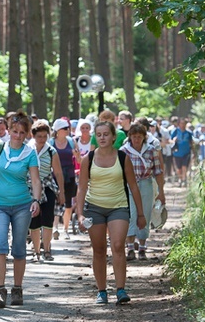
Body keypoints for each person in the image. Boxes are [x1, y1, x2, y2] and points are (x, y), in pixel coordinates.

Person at [76, 121, 146, 305]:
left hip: (118, 207)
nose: (102, 137)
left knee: (117, 245)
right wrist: (80, 214)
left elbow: (133, 187)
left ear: (114, 136)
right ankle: (101, 291)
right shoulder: (88, 159)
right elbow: (82, 188)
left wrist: (140, 214)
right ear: (95, 137)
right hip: (94, 208)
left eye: (106, 134)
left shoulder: (123, 158)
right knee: (98, 250)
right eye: (98, 134)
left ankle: (121, 289)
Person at [0, 111, 43, 308]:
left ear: (27, 134)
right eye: (15, 131)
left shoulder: (29, 153)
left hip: (22, 205)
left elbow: (35, 179)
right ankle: (0, 290)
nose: (18, 136)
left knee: (19, 248)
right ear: (8, 130)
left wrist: (36, 200)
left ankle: (17, 288)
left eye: (22, 133)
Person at [121, 124, 165, 261]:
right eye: (134, 137)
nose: (136, 140)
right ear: (130, 137)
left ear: (144, 137)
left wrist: (161, 191)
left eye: (139, 137)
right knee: (131, 214)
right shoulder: (124, 151)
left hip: (146, 183)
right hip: (129, 185)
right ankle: (129, 247)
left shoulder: (151, 150)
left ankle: (142, 247)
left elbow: (158, 172)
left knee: (145, 213)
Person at [28, 120, 65, 261]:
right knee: (34, 220)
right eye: (39, 136)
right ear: (33, 135)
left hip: (48, 187)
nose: (42, 139)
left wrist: (61, 192)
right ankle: (36, 251)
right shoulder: (27, 149)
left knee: (47, 219)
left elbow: (58, 173)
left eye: (45, 136)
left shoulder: (51, 151)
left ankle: (47, 249)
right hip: (31, 187)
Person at [51, 118, 79, 238]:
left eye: (68, 128)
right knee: (55, 201)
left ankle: (66, 229)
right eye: (65, 128)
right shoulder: (51, 143)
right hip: (54, 175)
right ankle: (55, 227)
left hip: (69, 175)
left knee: (68, 202)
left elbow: (79, 159)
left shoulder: (71, 141)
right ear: (57, 130)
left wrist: (77, 155)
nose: (68, 130)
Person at [170, 117, 193, 186]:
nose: (182, 125)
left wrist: (193, 151)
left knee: (184, 166)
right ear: (178, 124)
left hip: (186, 152)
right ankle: (180, 179)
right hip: (177, 153)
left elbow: (191, 142)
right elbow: (170, 140)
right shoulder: (175, 131)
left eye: (184, 123)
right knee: (179, 168)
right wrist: (174, 140)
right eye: (181, 123)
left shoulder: (189, 133)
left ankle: (184, 179)